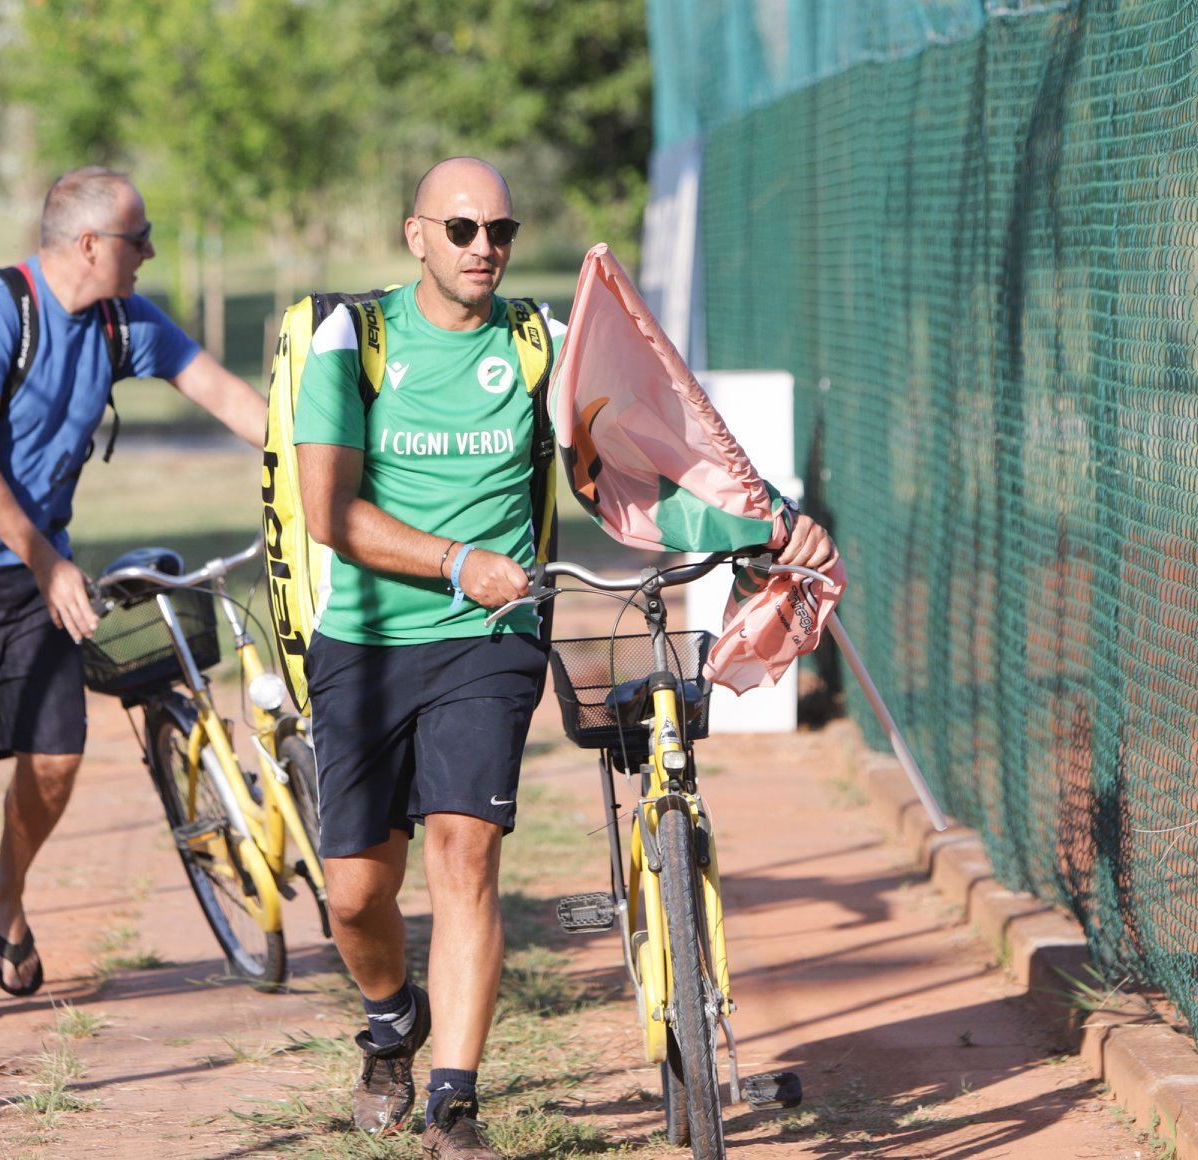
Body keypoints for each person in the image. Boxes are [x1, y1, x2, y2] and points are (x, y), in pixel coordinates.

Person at [294, 157, 837, 1159]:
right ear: (415, 234)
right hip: (365, 643)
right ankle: (390, 1020)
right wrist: (459, 560)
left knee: (466, 858)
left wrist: (763, 528)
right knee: (356, 892)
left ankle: (453, 1102)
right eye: (460, 229)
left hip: (490, 643)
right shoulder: (356, 337)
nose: (483, 247)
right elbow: (331, 513)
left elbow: (623, 478)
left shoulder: (540, 343)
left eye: (498, 228)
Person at [0, 166, 266, 1025]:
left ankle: (4, 892)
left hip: (36, 572)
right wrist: (49, 565)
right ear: (90, 245)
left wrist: (309, 460)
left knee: (54, 760)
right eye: (141, 238)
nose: (151, 253)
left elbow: (224, 393)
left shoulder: (123, 320)